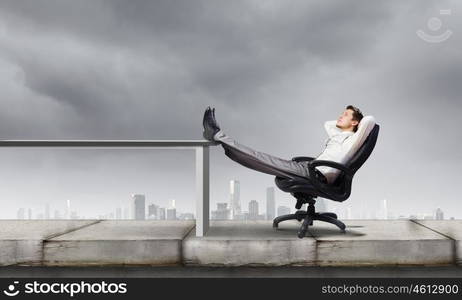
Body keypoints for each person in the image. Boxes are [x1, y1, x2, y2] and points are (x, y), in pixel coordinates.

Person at [202, 105, 376, 184]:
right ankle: (220, 138)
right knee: (260, 160)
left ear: (355, 124)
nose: (340, 116)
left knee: (261, 158)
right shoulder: (338, 136)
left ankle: (218, 135)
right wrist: (347, 119)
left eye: (345, 115)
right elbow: (327, 124)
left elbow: (370, 120)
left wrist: (357, 121)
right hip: (309, 168)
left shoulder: (353, 140)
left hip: (316, 174)